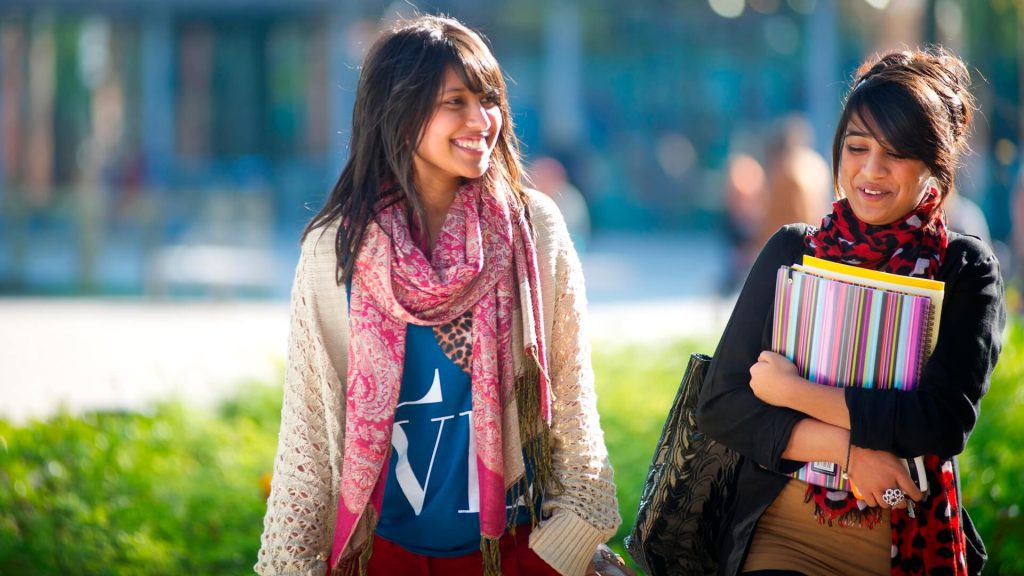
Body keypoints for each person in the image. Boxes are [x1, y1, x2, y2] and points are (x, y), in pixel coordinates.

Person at [254, 15, 622, 576]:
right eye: (456, 102)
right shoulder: (335, 252)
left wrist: (567, 546)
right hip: (383, 556)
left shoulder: (533, 229)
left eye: (489, 98)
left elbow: (572, 404)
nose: (482, 120)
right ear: (400, 115)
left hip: (516, 552)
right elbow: (306, 441)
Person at [696, 47, 1005, 576]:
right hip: (778, 538)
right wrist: (848, 450)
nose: (871, 170)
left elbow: (940, 422)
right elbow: (722, 405)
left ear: (933, 163)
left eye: (896, 154)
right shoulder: (793, 251)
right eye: (857, 148)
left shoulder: (964, 270)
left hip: (902, 545)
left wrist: (795, 392)